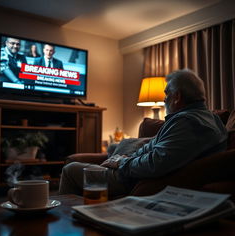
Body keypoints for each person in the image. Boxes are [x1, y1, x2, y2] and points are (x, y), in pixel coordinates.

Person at [59, 69, 228, 197]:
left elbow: (156, 163)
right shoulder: (212, 119)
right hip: (134, 171)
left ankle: (64, 224)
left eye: (166, 94)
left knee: (71, 169)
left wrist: (122, 164)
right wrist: (124, 158)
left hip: (133, 179)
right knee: (111, 151)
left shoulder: (187, 122)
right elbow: (155, 150)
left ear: (176, 97)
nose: (164, 99)